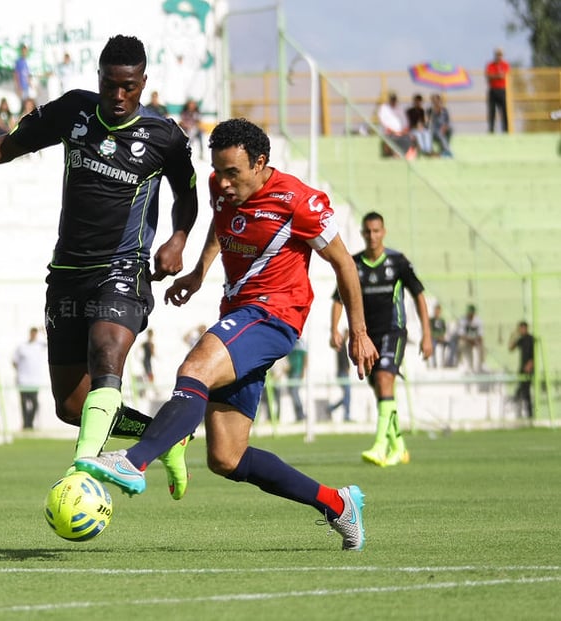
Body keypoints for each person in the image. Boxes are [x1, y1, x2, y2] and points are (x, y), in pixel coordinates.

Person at [0, 35, 199, 499]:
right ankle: (166, 435)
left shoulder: (164, 136)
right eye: (110, 85)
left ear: (143, 82)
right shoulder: (73, 112)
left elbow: (187, 194)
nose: (118, 96)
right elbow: (6, 147)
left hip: (124, 267)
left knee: (108, 352)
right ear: (99, 79)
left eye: (128, 86)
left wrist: (178, 238)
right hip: (67, 272)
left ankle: (83, 468)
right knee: (70, 405)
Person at [75, 118, 378, 551]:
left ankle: (134, 461)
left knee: (194, 368)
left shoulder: (300, 202)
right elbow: (221, 225)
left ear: (260, 163)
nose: (224, 181)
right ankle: (337, 503)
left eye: (234, 172)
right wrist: (199, 274)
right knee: (226, 457)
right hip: (240, 314)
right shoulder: (223, 186)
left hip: (273, 316)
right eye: (218, 170)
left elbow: (345, 264)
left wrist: (359, 331)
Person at [331, 211, 432, 467]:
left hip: (393, 331)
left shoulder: (397, 262)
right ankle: (399, 446)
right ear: (363, 233)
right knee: (380, 390)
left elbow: (419, 295)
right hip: (366, 336)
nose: (372, 236)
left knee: (385, 379)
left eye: (377, 231)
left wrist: (427, 335)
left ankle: (380, 446)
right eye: (368, 231)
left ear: (383, 232)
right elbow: (338, 297)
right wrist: (335, 328)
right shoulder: (354, 264)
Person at [12, 327, 48, 430]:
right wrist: (20, 371)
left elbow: (50, 342)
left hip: (34, 381)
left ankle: (29, 423)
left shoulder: (40, 345)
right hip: (23, 380)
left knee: (35, 403)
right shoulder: (22, 347)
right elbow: (14, 361)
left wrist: (44, 331)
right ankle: (26, 424)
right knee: (23, 403)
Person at [508, 321, 535, 419]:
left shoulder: (531, 339)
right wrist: (513, 336)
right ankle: (521, 413)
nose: (520, 330)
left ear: (525, 328)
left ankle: (530, 415)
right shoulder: (521, 339)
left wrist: (530, 364)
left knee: (525, 391)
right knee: (521, 391)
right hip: (522, 369)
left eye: (521, 328)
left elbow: (533, 354)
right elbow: (511, 348)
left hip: (529, 369)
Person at [377, 92, 414, 158]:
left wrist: (403, 131)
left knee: (410, 138)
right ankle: (395, 154)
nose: (393, 101)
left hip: (402, 133)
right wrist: (394, 131)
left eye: (394, 99)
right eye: (392, 99)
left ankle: (404, 155)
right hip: (390, 133)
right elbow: (383, 122)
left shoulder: (400, 109)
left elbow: (405, 122)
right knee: (393, 140)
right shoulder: (384, 108)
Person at [328, 329, 352, 422]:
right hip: (342, 373)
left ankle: (331, 408)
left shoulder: (344, 345)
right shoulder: (341, 344)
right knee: (348, 395)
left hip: (343, 373)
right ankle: (346, 415)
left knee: (347, 396)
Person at [485, 47, 510, 133]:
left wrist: (495, 76)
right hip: (493, 90)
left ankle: (506, 130)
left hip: (502, 90)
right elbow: (489, 76)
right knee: (492, 112)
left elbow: (505, 75)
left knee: (504, 111)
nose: (499, 56)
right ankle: (491, 130)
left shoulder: (505, 64)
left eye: (500, 54)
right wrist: (497, 76)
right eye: (497, 54)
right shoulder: (490, 65)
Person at [454, 304, 484, 372]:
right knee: (460, 343)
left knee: (481, 346)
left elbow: (480, 335)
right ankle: (460, 362)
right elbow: (461, 335)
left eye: (471, 314)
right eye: (469, 313)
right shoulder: (463, 320)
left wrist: (477, 341)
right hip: (466, 340)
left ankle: (480, 364)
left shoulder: (478, 321)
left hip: (474, 340)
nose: (470, 315)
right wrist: (470, 341)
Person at [286, 337, 307, 422]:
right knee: (293, 393)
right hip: (290, 372)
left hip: (297, 371)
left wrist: (303, 370)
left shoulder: (300, 342)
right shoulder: (289, 341)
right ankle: (298, 415)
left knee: (294, 392)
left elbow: (305, 356)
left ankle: (301, 414)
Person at [429, 304, 448, 368]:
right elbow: (430, 330)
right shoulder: (431, 320)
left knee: (447, 345)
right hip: (433, 338)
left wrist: (442, 336)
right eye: (436, 310)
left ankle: (445, 362)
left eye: (438, 311)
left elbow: (444, 330)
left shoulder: (442, 321)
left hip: (441, 338)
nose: (437, 312)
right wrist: (437, 336)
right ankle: (434, 364)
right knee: (433, 345)